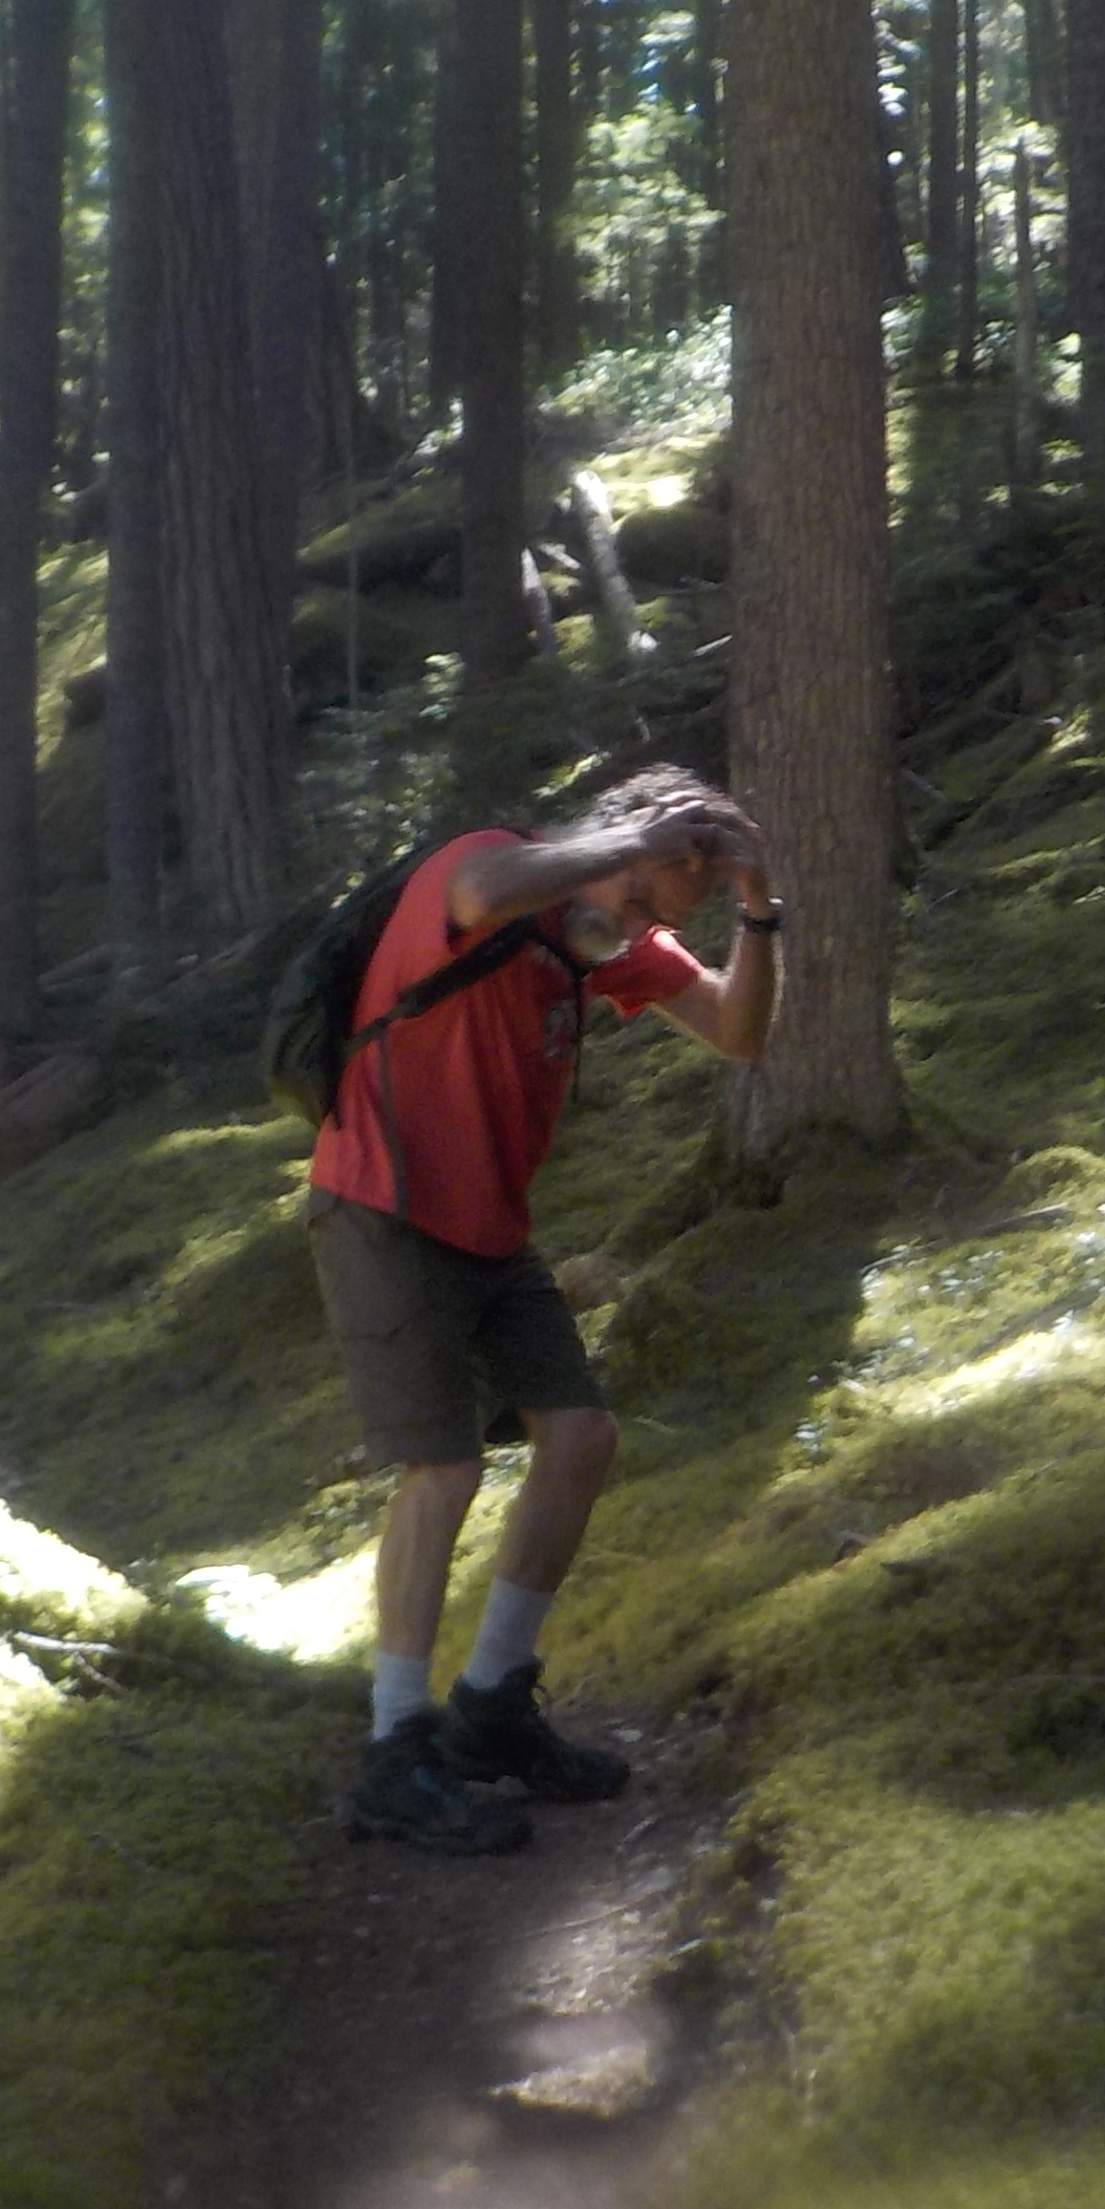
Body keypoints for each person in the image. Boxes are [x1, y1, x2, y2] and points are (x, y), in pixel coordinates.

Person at [306, 764, 779, 1852]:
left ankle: (489, 1709)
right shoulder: (492, 869)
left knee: (580, 1438)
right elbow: (481, 892)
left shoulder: (606, 939)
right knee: (446, 1466)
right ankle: (392, 1751)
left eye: (666, 915)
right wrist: (624, 854)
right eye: (648, 900)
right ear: (617, 848)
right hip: (381, 1208)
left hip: (488, 1232)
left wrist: (758, 913)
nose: (645, 928)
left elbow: (739, 1034)